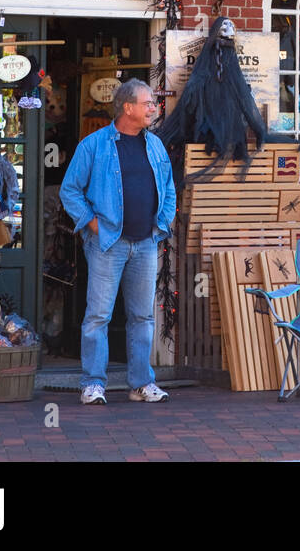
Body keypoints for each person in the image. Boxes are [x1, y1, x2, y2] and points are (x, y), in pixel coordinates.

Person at [60, 79, 176, 405]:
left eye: (153, 103)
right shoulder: (94, 145)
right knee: (98, 316)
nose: (153, 108)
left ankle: (141, 384)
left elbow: (168, 190)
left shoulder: (155, 145)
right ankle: (93, 383)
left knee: (143, 317)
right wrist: (94, 225)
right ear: (128, 107)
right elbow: (70, 190)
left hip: (145, 243)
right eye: (147, 103)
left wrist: (161, 225)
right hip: (107, 244)